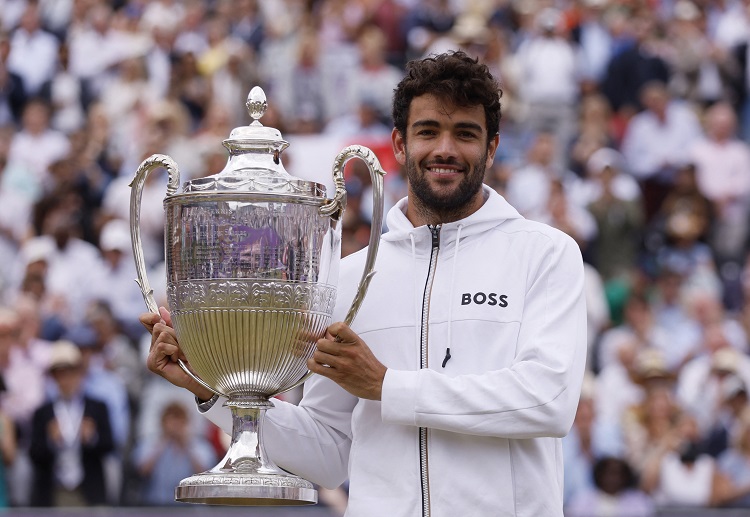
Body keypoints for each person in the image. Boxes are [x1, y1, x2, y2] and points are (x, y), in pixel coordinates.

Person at [142, 50, 587, 516]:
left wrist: (387, 386)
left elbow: (548, 401)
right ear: (398, 144)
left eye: (466, 134)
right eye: (428, 131)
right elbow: (329, 455)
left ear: (492, 148)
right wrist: (213, 387)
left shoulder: (546, 254)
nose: (445, 150)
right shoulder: (351, 277)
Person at [28, 340, 114, 507]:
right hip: (55, 491)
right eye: (59, 374)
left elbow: (109, 445)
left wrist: (92, 438)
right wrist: (50, 441)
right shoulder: (43, 413)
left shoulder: (96, 408)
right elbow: (34, 453)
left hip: (89, 490)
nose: (65, 380)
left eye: (70, 373)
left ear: (79, 373)